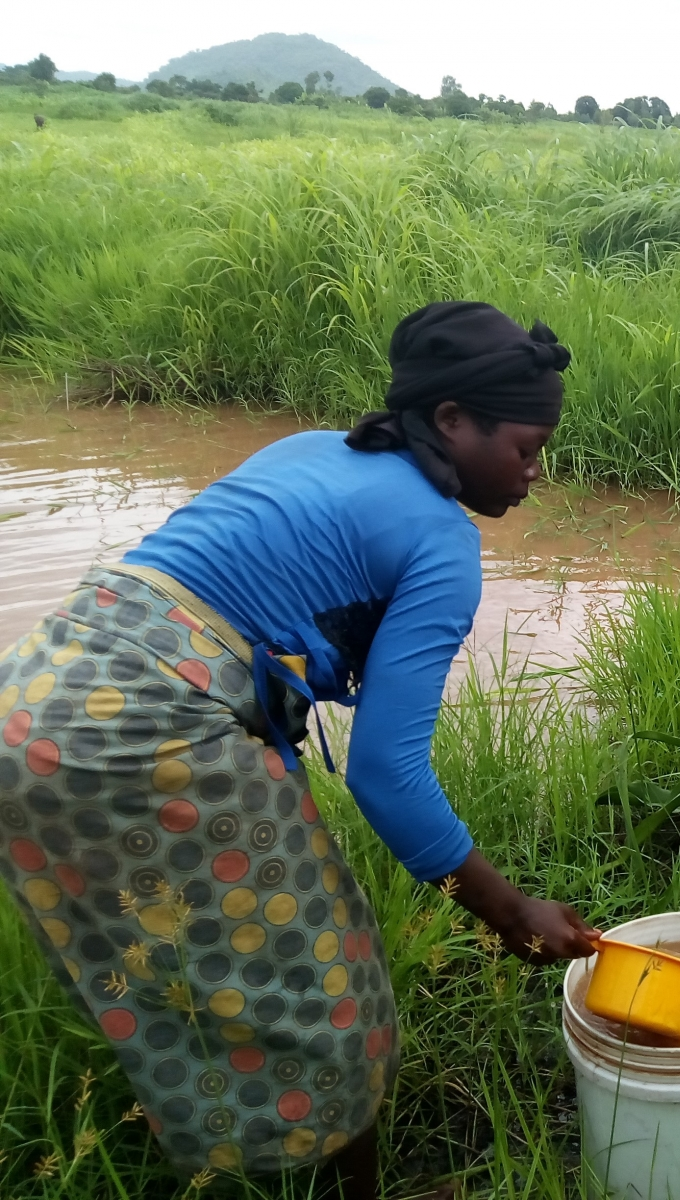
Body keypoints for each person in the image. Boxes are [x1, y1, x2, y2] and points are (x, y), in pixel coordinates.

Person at [0, 301, 599, 1197]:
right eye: (523, 448)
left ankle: (223, 1158)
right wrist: (509, 909)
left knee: (169, 971)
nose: (532, 474)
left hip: (35, 699)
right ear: (450, 421)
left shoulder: (316, 446)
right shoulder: (442, 543)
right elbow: (386, 773)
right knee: (330, 979)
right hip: (143, 729)